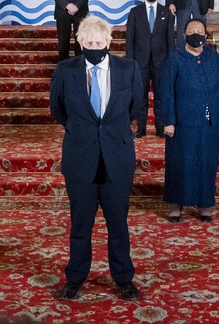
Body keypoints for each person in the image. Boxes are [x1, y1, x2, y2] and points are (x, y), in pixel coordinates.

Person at [49, 16, 146, 301]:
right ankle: (75, 279)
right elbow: (57, 109)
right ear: (80, 43)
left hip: (117, 157)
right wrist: (82, 130)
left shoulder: (128, 68)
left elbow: (137, 106)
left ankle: (124, 279)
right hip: (81, 157)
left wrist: (110, 131)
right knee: (80, 225)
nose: (94, 46)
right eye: (88, 42)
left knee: (118, 225)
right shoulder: (65, 70)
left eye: (99, 42)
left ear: (108, 42)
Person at [161, 18, 219, 223]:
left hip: (209, 121)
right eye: (191, 31)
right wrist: (169, 121)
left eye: (199, 31)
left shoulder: (213, 56)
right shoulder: (176, 57)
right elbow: (167, 92)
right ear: (184, 35)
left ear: (205, 34)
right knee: (180, 163)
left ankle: (205, 204)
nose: (196, 34)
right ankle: (176, 205)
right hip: (182, 123)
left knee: (206, 163)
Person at [125, 0, 175, 138]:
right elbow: (129, 40)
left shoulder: (166, 12)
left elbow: (170, 41)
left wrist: (170, 62)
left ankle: (160, 129)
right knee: (140, 97)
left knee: (161, 97)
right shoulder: (135, 12)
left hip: (162, 63)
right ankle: (141, 129)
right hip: (140, 62)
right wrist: (130, 63)